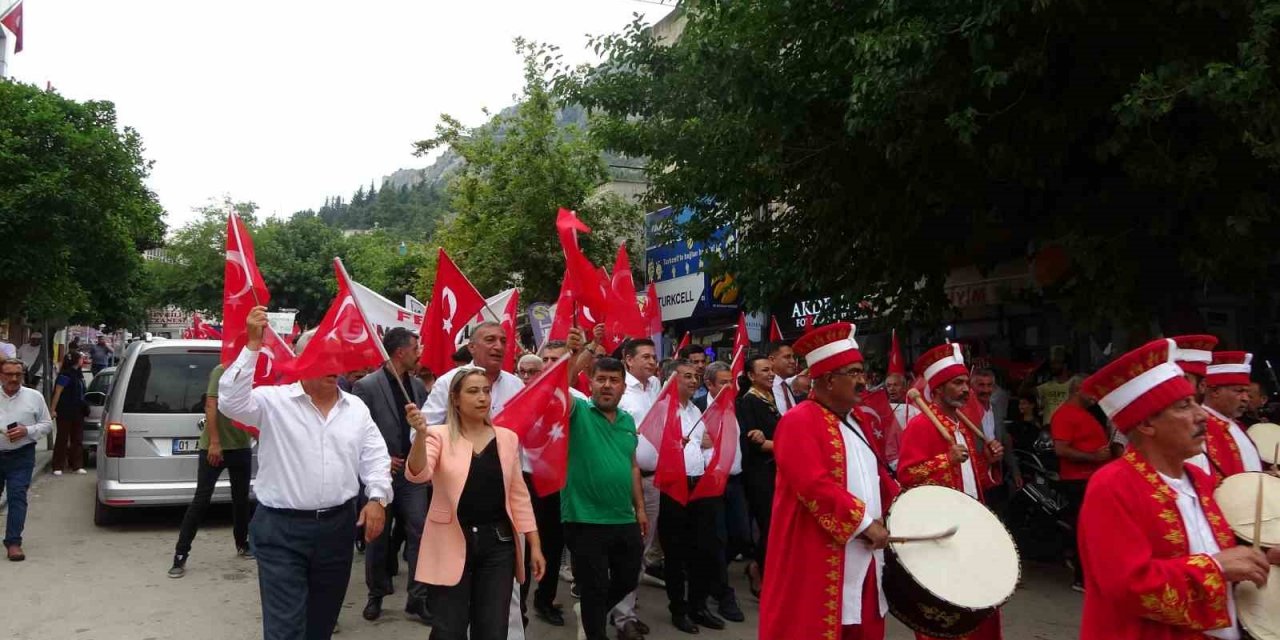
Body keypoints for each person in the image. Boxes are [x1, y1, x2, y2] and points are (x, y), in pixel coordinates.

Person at [1077, 338, 1270, 639]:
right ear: (1147, 426)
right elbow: (1127, 584)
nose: (1201, 415)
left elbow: (1215, 551)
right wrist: (1216, 568)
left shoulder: (1197, 479)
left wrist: (1259, 558)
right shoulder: (1113, 485)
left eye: (1195, 402)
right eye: (1184, 406)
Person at [219, 307, 392, 640]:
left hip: (337, 529)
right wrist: (252, 345)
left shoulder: (355, 408)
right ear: (301, 362)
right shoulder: (273, 402)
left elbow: (375, 456)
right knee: (286, 628)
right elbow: (230, 401)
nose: (333, 365)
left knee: (321, 624)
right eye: (322, 357)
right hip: (281, 531)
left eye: (335, 356)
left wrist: (377, 498)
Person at [759, 323, 899, 640]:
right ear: (828, 380)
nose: (863, 380)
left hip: (865, 553)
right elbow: (813, 485)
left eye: (862, 371)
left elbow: (878, 477)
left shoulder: (859, 419)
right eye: (853, 372)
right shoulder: (799, 421)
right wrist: (865, 523)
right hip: (819, 552)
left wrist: (905, 509)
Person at [404, 367, 544, 640]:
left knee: (492, 628)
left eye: (486, 391)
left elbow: (519, 496)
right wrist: (420, 435)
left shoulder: (507, 438)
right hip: (450, 541)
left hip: (498, 545)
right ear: (454, 399)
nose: (482, 398)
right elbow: (418, 474)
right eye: (473, 391)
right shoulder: (437, 435)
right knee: (449, 628)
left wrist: (535, 545)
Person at [421, 321, 528, 639]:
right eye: (489, 339)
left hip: (502, 510)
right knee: (450, 620)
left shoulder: (516, 385)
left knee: (496, 614)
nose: (498, 345)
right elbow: (425, 429)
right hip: (455, 512)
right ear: (472, 347)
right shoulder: (447, 382)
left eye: (503, 340)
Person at [897, 343, 1005, 640]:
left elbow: (975, 480)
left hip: (971, 524)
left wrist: (991, 461)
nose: (966, 390)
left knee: (979, 604)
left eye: (965, 384)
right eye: (957, 384)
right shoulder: (921, 426)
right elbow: (906, 476)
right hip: (941, 531)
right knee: (947, 611)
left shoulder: (962, 427)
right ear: (939, 389)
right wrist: (944, 459)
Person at [561, 352, 648, 640]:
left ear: (624, 386)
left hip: (623, 517)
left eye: (614, 380)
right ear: (590, 383)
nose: (607, 385)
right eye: (601, 379)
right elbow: (558, 386)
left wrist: (640, 509)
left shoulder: (626, 421)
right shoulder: (577, 412)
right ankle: (594, 628)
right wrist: (579, 354)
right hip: (584, 518)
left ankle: (588, 611)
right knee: (595, 585)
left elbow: (632, 465)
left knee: (627, 577)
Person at [352, 328, 432, 623]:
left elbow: (426, 425)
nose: (419, 353)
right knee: (378, 537)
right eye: (415, 348)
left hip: (413, 475)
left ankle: (418, 597)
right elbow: (358, 431)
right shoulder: (367, 386)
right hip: (381, 475)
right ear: (401, 352)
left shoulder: (418, 386)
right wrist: (382, 459)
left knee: (420, 531)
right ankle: (377, 594)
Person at [655, 360, 726, 634]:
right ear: (672, 380)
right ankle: (679, 608)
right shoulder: (662, 410)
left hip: (700, 487)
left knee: (704, 549)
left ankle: (699, 605)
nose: (693, 380)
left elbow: (704, 445)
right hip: (674, 487)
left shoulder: (695, 410)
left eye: (695, 376)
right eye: (687, 376)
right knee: (676, 552)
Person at [168, 362, 255, 578]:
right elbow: (210, 405)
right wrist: (216, 442)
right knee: (201, 500)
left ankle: (242, 543)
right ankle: (180, 554)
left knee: (241, 499)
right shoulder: (221, 370)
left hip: (241, 446)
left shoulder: (253, 371)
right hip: (214, 447)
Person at [613, 337, 662, 640]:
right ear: (628, 360)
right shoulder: (619, 389)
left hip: (654, 480)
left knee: (642, 549)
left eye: (653, 356)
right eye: (644, 356)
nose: (651, 361)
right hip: (628, 480)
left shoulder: (655, 386)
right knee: (627, 551)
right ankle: (622, 618)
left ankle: (627, 608)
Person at [1049, 375, 1111, 592]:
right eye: (1091, 391)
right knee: (1084, 528)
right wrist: (1093, 457)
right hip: (1078, 480)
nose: (1096, 396)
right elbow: (1061, 449)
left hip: (1092, 479)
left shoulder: (1084, 414)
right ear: (1078, 390)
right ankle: (1081, 578)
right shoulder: (1065, 415)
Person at [700, 360, 747, 623]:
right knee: (717, 539)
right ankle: (723, 593)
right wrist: (697, 441)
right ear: (709, 384)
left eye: (731, 382)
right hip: (711, 483)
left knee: (740, 537)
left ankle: (709, 576)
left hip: (736, 482)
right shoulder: (697, 409)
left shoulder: (735, 406)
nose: (729, 387)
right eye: (723, 382)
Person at [0, 358, 53, 561]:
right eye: (9, 374)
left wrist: (27, 431)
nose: (14, 378)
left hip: (21, 456)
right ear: (1, 375)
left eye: (18, 375)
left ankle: (13, 542)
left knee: (17, 497)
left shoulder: (34, 397)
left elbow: (47, 424)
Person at [737, 355, 779, 599]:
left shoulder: (770, 398)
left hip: (777, 470)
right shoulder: (748, 402)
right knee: (768, 525)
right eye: (765, 370)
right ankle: (757, 569)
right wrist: (786, 445)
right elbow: (754, 443)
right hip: (759, 473)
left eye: (772, 370)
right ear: (751, 376)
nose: (771, 374)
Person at [1193, 351, 1264, 482]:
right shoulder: (1199, 427)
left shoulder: (1237, 426)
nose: (1245, 399)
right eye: (1239, 391)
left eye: (1247, 392)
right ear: (1215, 392)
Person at [49, 350, 89, 476]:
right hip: (65, 411)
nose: (83, 360)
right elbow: (57, 393)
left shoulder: (79, 375)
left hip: (78, 411)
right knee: (62, 438)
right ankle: (58, 465)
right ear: (76, 360)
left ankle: (76, 465)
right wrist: (52, 410)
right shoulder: (65, 375)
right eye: (81, 358)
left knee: (77, 439)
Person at [1034, 352, 1072, 427]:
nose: (1052, 366)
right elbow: (1022, 392)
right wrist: (1034, 371)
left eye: (1056, 363)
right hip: (1048, 430)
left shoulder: (1074, 384)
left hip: (1067, 427)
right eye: (1051, 364)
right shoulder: (1046, 386)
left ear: (1065, 365)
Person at [767, 341, 799, 415]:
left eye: (793, 357)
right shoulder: (765, 390)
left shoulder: (785, 386)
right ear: (772, 360)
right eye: (787, 357)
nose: (793, 361)